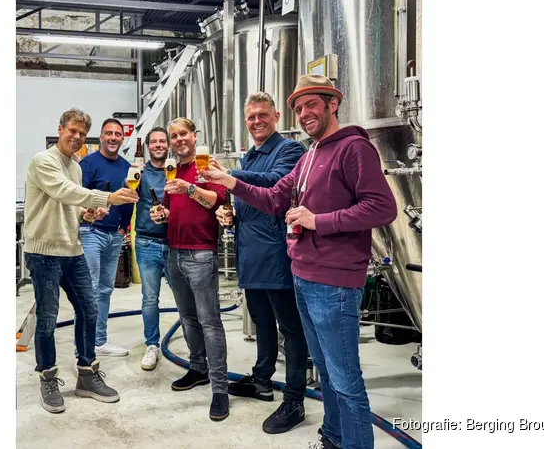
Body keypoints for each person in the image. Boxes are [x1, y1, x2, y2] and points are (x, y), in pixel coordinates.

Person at [199, 75, 398, 449]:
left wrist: (318, 221)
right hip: (303, 276)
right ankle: (334, 438)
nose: (305, 113)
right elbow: (274, 196)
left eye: (311, 105)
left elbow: (383, 207)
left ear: (332, 104)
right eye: (299, 108)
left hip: (335, 283)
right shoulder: (309, 155)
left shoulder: (353, 148)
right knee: (324, 370)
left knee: (345, 379)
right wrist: (230, 182)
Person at [23, 108, 139, 413]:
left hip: (71, 250)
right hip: (44, 251)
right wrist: (107, 199)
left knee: (89, 309)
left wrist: (84, 213)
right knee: (48, 318)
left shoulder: (75, 166)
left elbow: (68, 204)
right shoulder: (43, 161)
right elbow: (63, 191)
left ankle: (86, 373)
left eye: (80, 133)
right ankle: (47, 376)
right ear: (60, 128)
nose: (76, 137)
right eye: (71, 130)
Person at [211, 92, 309, 434]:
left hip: (277, 254)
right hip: (250, 253)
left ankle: (295, 398)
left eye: (262, 115)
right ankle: (261, 380)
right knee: (262, 323)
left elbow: (273, 185)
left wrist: (230, 177)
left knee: (292, 330)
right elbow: (247, 200)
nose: (256, 121)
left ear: (277, 116)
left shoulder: (290, 150)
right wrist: (230, 214)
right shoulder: (250, 155)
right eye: (251, 116)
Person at [149, 117, 231, 422]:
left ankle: (220, 389)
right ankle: (198, 368)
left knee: (210, 322)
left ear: (194, 136)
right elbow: (173, 207)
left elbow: (216, 202)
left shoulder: (207, 166)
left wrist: (190, 187)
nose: (178, 139)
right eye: (174, 136)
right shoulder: (175, 170)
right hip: (175, 252)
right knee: (186, 317)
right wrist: (162, 213)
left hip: (201, 253)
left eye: (183, 133)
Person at [75, 118, 134, 358]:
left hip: (114, 235)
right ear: (100, 136)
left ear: (122, 138)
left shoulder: (127, 166)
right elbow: (80, 196)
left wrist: (123, 229)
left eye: (117, 134)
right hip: (91, 233)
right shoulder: (88, 163)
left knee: (106, 290)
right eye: (108, 133)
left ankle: (99, 341)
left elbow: (131, 197)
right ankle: (84, 347)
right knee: (89, 289)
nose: (113, 137)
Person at [132, 127, 172, 370]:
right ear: (148, 146)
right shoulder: (139, 173)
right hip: (147, 242)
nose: (158, 145)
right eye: (154, 141)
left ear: (168, 145)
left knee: (184, 299)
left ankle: (194, 347)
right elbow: (125, 197)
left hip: (175, 242)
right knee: (149, 299)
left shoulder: (175, 172)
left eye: (162, 141)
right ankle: (152, 345)